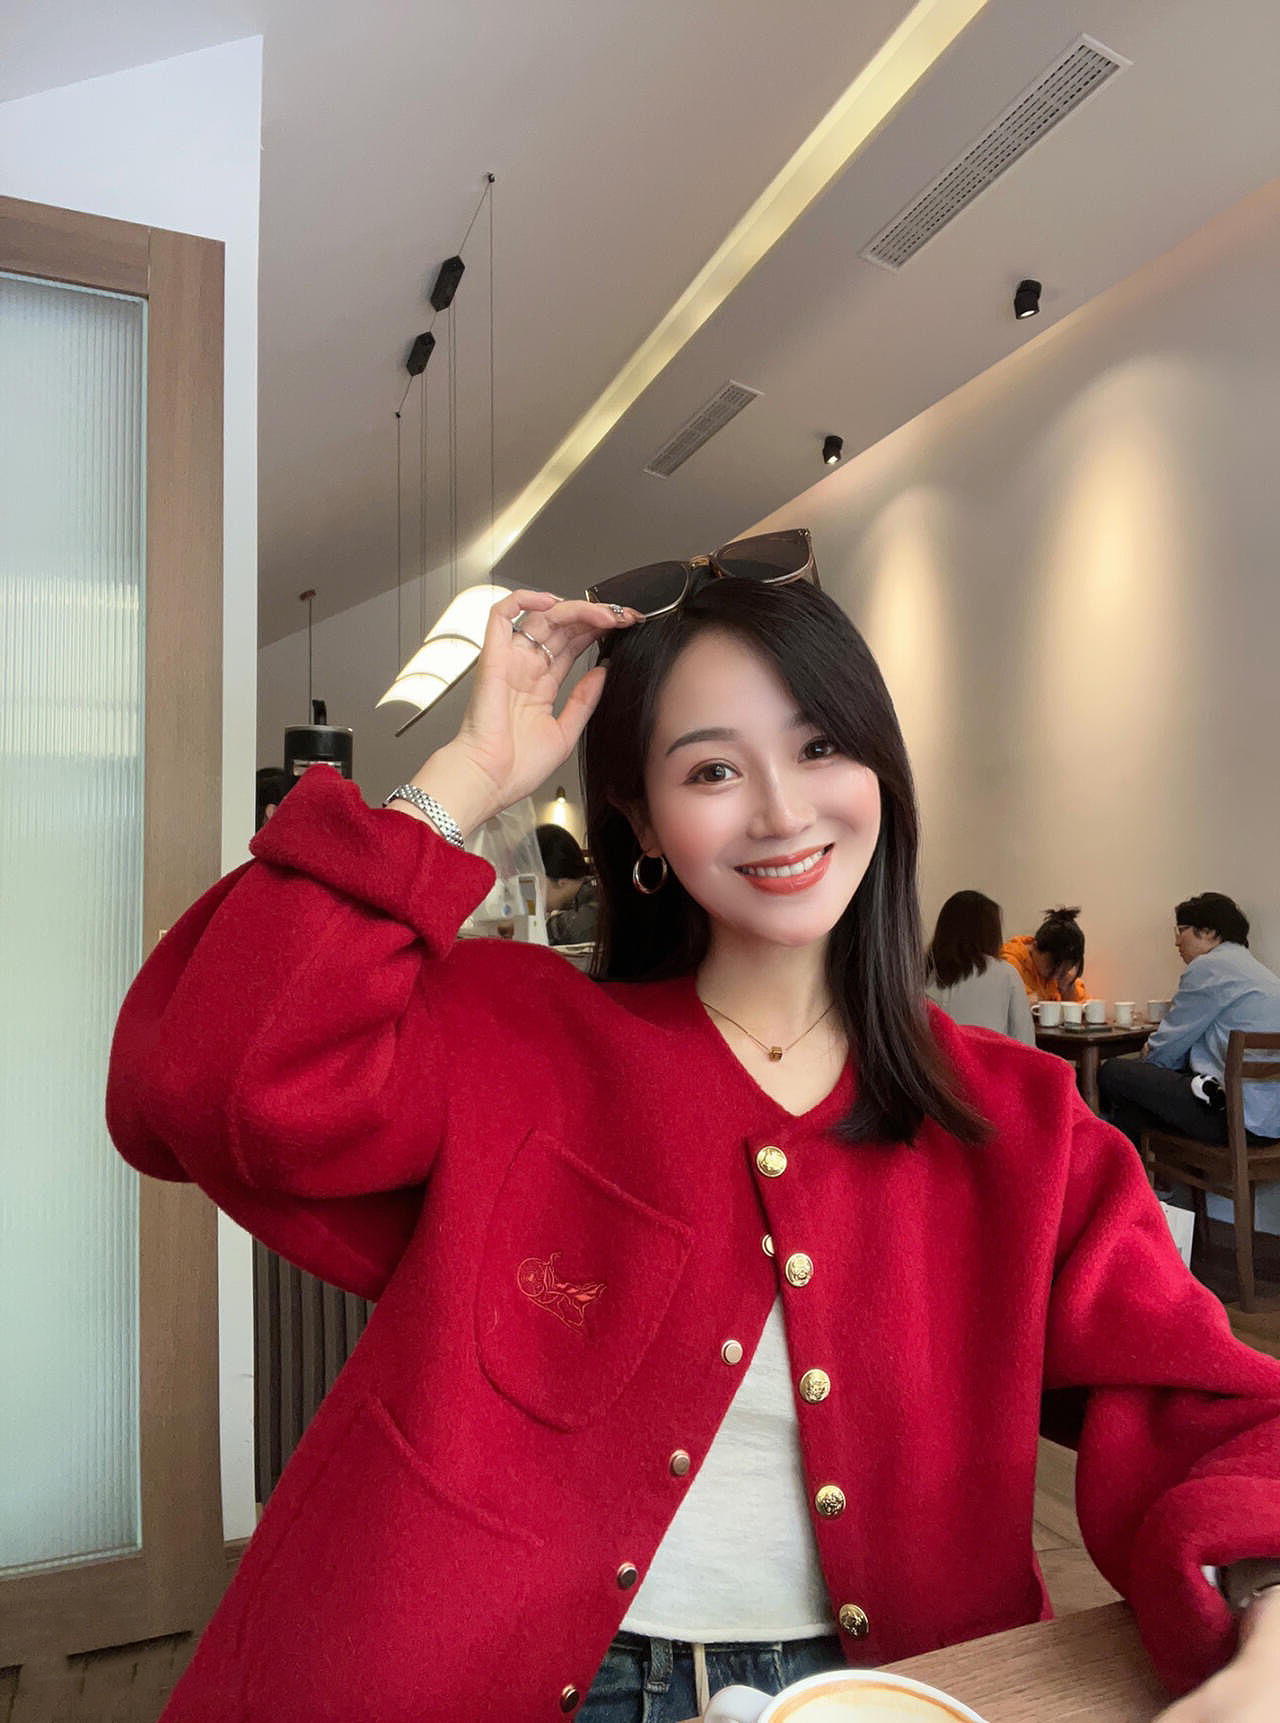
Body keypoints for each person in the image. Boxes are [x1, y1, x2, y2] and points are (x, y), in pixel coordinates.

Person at [106, 567, 1280, 1723]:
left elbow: (1217, 1416)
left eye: (819, 747)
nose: (780, 811)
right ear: (642, 822)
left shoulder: (1017, 1121)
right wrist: (468, 775)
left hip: (877, 1695)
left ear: (881, 770)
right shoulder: (520, 1033)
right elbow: (211, 1076)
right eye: (712, 769)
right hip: (468, 1674)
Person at [1099, 893, 1280, 1149]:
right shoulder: (1258, 972)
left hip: (1233, 1119)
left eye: (1181, 930)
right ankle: (1143, 1172)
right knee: (1135, 1108)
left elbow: (1165, 1052)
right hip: (1270, 1122)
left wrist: (1151, 1053)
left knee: (1113, 1072)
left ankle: (1119, 1168)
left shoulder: (1209, 967)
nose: (1176, 941)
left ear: (1208, 932)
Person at [925, 891, 1034, 1045]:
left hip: (932, 1059)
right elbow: (1025, 1042)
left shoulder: (922, 973)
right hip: (988, 1059)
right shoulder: (1006, 974)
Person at [1001, 907, 1087, 1004]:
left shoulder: (1061, 974)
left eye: (1063, 971)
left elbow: (1080, 1005)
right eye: (1052, 966)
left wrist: (1067, 987)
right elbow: (1012, 1001)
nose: (1055, 977)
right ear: (1035, 947)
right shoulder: (1009, 962)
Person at [536, 821, 600, 945]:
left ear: (562, 882)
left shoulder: (598, 896)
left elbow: (570, 931)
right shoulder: (576, 898)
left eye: (537, 885)